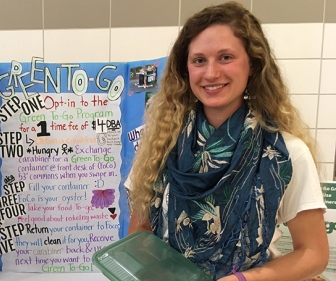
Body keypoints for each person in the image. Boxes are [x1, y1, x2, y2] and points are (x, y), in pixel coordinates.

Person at [127, 2, 328, 281]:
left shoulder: (285, 153)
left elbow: (314, 253)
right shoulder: (158, 146)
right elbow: (140, 234)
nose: (210, 74)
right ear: (186, 71)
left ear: (253, 66)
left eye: (225, 57)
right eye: (199, 60)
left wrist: (243, 279)